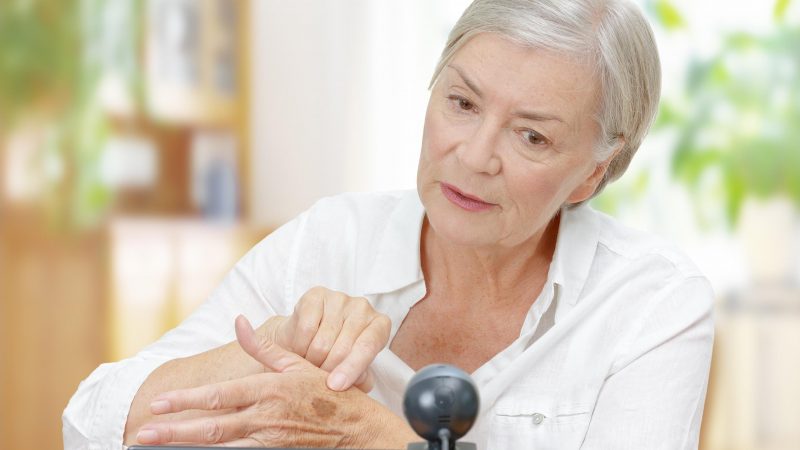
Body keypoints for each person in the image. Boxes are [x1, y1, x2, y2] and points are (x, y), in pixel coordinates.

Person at [64, 0, 714, 448]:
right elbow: (92, 419)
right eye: (462, 102)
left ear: (591, 175)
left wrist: (372, 437)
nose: (474, 154)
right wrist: (269, 348)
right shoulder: (328, 240)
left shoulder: (650, 302)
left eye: (531, 137)